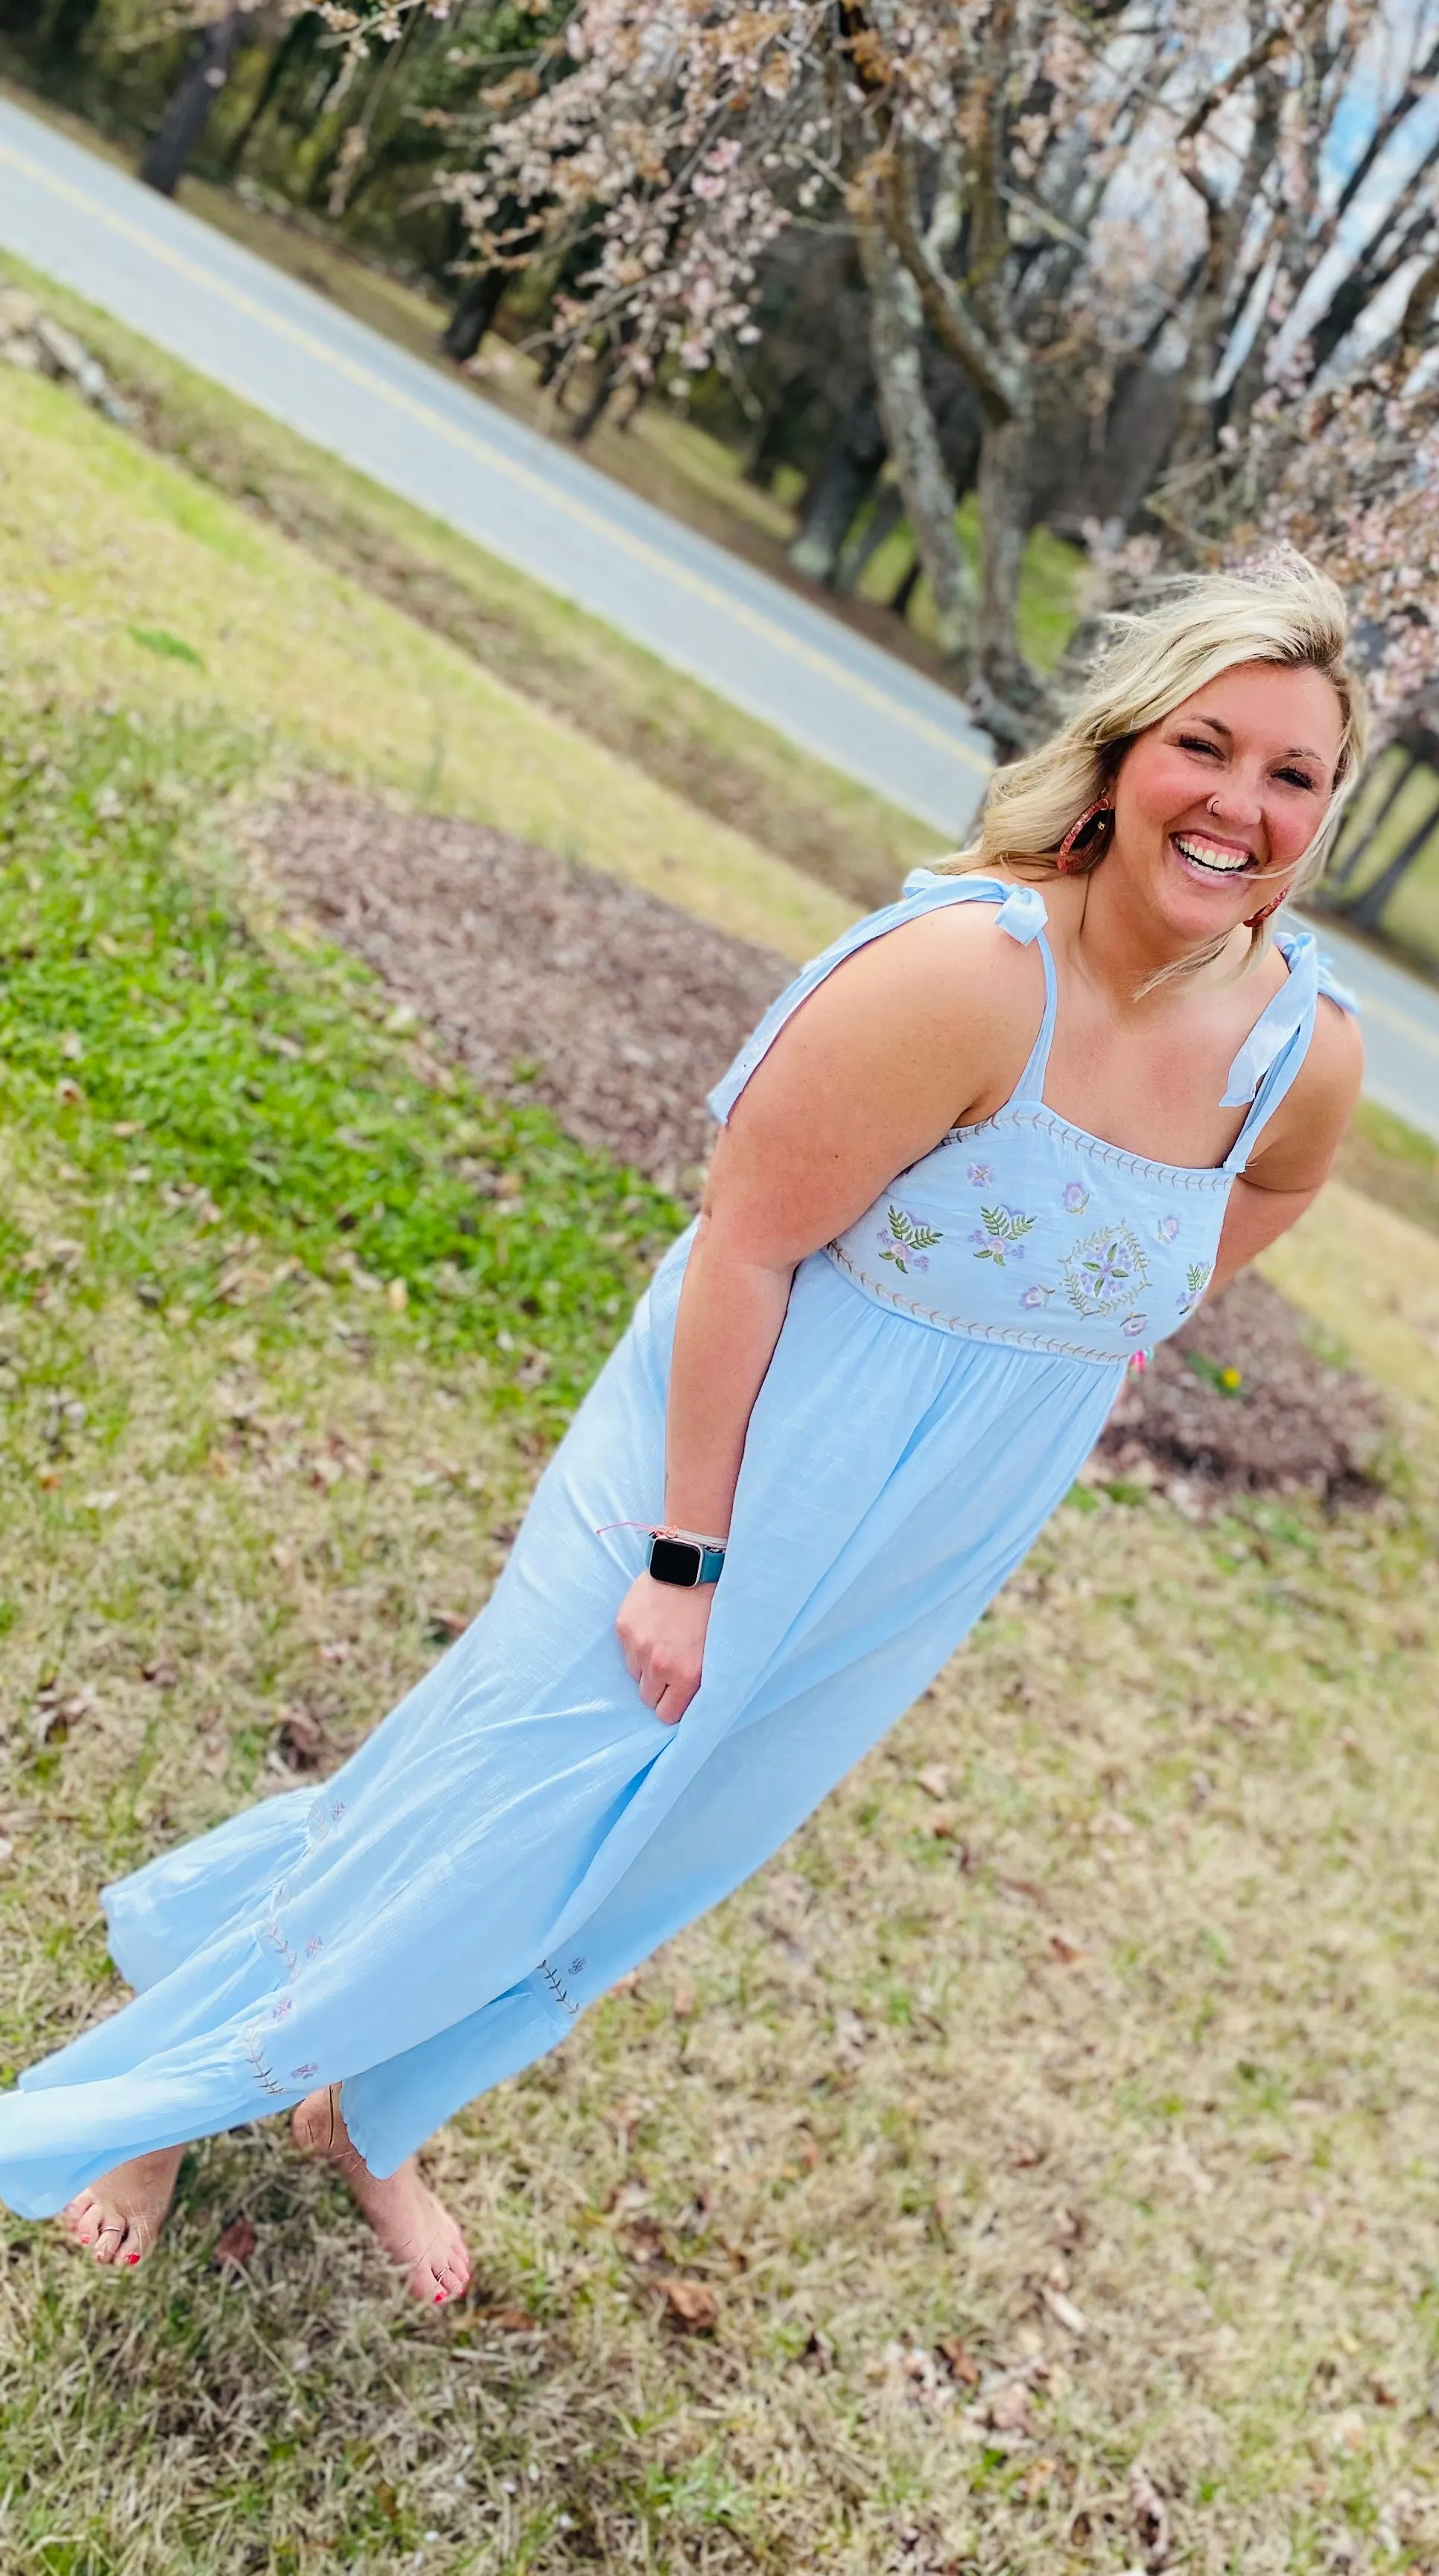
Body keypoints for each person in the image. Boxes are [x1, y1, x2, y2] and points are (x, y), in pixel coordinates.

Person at [0, 557, 1367, 2301]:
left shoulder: (1296, 1047)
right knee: (507, 1794)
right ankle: (172, 2095)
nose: (1241, 806)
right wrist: (683, 1557)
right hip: (727, 1462)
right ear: (1118, 756)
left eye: (1294, 776)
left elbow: (1279, 1189)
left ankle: (368, 2108)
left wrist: (1112, 1323)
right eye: (1208, 745)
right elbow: (745, 1245)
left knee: (659, 1848)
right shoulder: (962, 979)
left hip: (930, 1534)